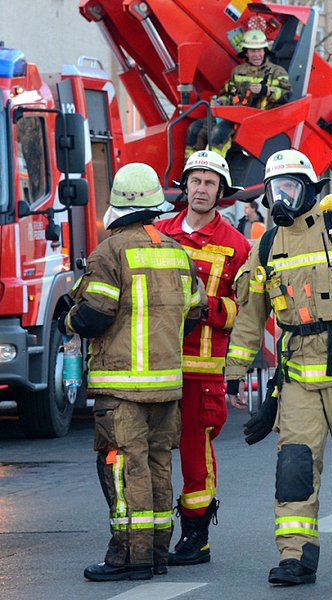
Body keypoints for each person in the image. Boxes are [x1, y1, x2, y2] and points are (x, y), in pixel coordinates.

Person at [224, 150, 332, 586]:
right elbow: (250, 316)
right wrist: (235, 369)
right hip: (298, 380)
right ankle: (296, 556)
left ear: (310, 191)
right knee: (295, 467)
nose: (282, 197)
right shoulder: (266, 246)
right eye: (274, 190)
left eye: (290, 188)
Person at [60, 163, 206, 581]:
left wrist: (66, 323)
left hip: (122, 389)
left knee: (124, 470)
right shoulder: (176, 252)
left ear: (118, 205)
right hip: (167, 387)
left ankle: (128, 557)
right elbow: (194, 313)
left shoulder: (110, 252)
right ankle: (158, 554)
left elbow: (93, 315)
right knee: (159, 467)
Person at [155, 151, 251, 566]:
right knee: (150, 451)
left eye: (210, 183)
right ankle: (150, 534)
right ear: (185, 185)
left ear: (221, 192)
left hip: (203, 369)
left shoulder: (238, 245)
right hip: (155, 364)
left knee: (196, 457)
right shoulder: (158, 232)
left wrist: (205, 304)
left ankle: (196, 537)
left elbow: (246, 312)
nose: (201, 189)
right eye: (195, 180)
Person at [185, 28, 292, 158]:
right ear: (246, 52)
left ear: (265, 51)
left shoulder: (277, 72)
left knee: (219, 133)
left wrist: (265, 90)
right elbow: (228, 94)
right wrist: (219, 102)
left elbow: (287, 95)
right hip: (233, 116)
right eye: (252, 51)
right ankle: (190, 169)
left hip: (256, 121)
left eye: (259, 50)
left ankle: (212, 168)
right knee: (194, 129)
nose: (256, 55)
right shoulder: (238, 71)